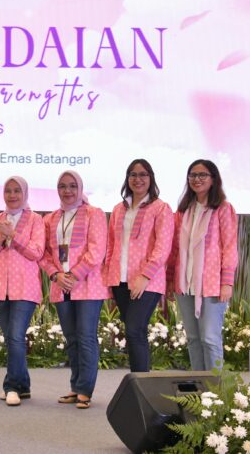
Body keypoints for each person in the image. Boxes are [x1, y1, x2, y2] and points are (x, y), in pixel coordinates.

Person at [41, 170, 108, 410]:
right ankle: (76, 386)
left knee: (86, 337)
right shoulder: (50, 219)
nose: (67, 191)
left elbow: (97, 250)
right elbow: (44, 253)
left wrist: (74, 275)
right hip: (61, 285)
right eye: (62, 186)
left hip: (87, 285)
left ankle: (85, 390)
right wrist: (56, 275)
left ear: (80, 189)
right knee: (72, 339)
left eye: (72, 186)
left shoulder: (94, 214)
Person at [102, 159, 174, 373]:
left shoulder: (161, 208)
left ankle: (141, 385)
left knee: (135, 330)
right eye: (133, 174)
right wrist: (109, 277)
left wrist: (144, 276)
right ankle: (138, 384)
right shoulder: (118, 208)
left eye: (143, 174)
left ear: (150, 178)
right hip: (120, 280)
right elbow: (111, 245)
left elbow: (163, 247)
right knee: (134, 331)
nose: (137, 179)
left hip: (147, 281)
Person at [168, 159, 238, 371]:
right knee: (193, 339)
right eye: (192, 175)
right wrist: (171, 280)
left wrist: (227, 282)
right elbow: (175, 249)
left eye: (202, 175)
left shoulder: (223, 209)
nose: (196, 179)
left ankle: (216, 393)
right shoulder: (183, 211)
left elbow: (229, 246)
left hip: (211, 284)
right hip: (185, 284)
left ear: (213, 179)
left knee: (209, 338)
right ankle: (199, 389)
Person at [0, 176, 45, 406]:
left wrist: (13, 236)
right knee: (12, 338)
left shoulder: (36, 220)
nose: (12, 195)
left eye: (17, 190)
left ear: (25, 193)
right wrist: (0, 239)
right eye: (8, 190)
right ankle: (24, 385)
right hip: (1, 288)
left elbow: (36, 252)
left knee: (16, 337)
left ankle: (11, 386)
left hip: (25, 288)